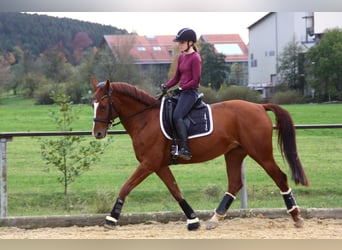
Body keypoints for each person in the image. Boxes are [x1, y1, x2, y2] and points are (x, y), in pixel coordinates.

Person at [162, 28, 202, 160]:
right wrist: (166, 86)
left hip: (190, 93)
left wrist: (180, 89)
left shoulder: (195, 58)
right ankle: (173, 143)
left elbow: (195, 80)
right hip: (182, 92)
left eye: (182, 42)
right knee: (167, 111)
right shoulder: (181, 57)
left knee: (177, 115)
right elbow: (176, 77)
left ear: (191, 42)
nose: (180, 45)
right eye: (179, 42)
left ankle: (185, 149)